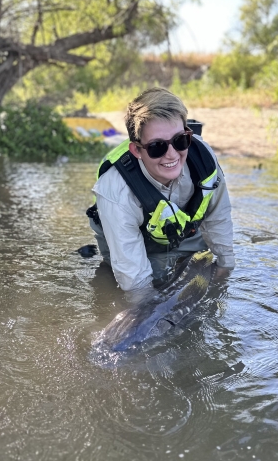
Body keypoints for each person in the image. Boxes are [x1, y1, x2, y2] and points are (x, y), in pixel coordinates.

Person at [87, 87, 234, 301]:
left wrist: (224, 268)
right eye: (157, 147)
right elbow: (135, 282)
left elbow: (218, 217)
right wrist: (147, 308)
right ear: (136, 150)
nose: (172, 154)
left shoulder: (203, 159)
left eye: (180, 140)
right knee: (131, 291)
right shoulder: (116, 191)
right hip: (129, 238)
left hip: (184, 230)